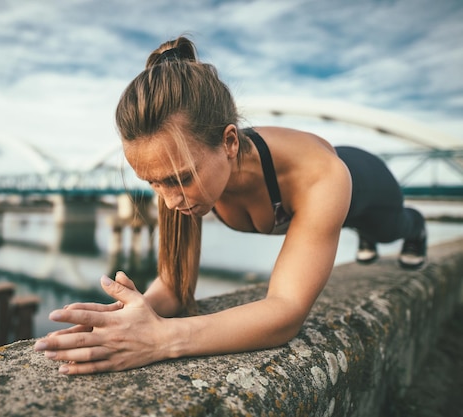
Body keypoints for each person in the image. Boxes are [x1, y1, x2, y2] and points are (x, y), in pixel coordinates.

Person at [34, 36, 427, 375]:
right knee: (348, 233)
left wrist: (162, 340)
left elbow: (286, 311)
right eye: (153, 183)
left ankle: (414, 229)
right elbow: (174, 285)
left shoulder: (320, 174)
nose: (169, 201)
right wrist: (127, 319)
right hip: (326, 207)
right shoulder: (185, 163)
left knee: (388, 228)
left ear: (230, 143)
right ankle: (363, 236)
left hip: (369, 184)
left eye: (180, 179)